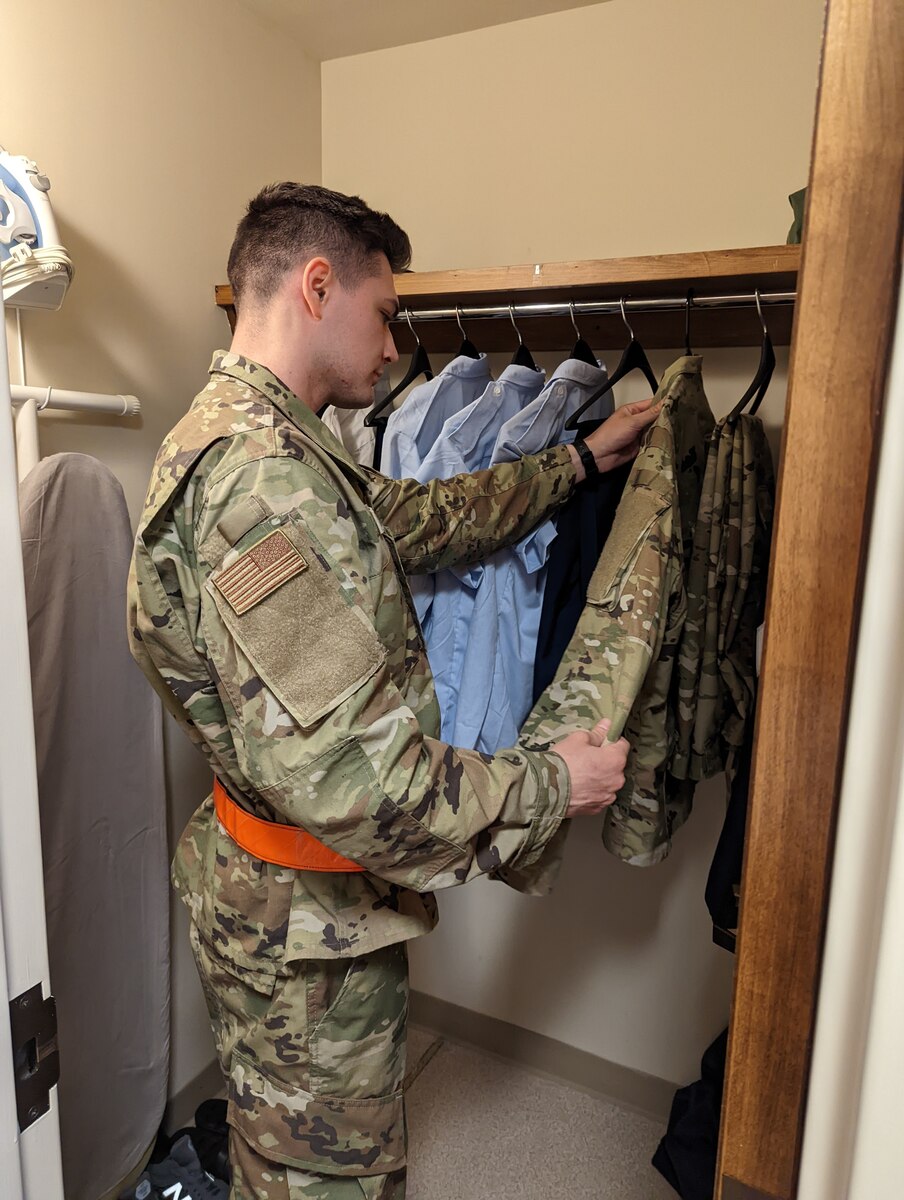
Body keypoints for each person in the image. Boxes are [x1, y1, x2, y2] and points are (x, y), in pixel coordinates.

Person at [127, 182, 660, 1200]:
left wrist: (576, 460)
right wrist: (552, 783)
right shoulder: (260, 484)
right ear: (318, 287)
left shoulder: (275, 440)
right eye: (386, 313)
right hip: (300, 922)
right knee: (331, 1180)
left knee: (280, 1156)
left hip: (293, 899)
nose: (390, 346)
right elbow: (358, 782)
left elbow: (417, 518)